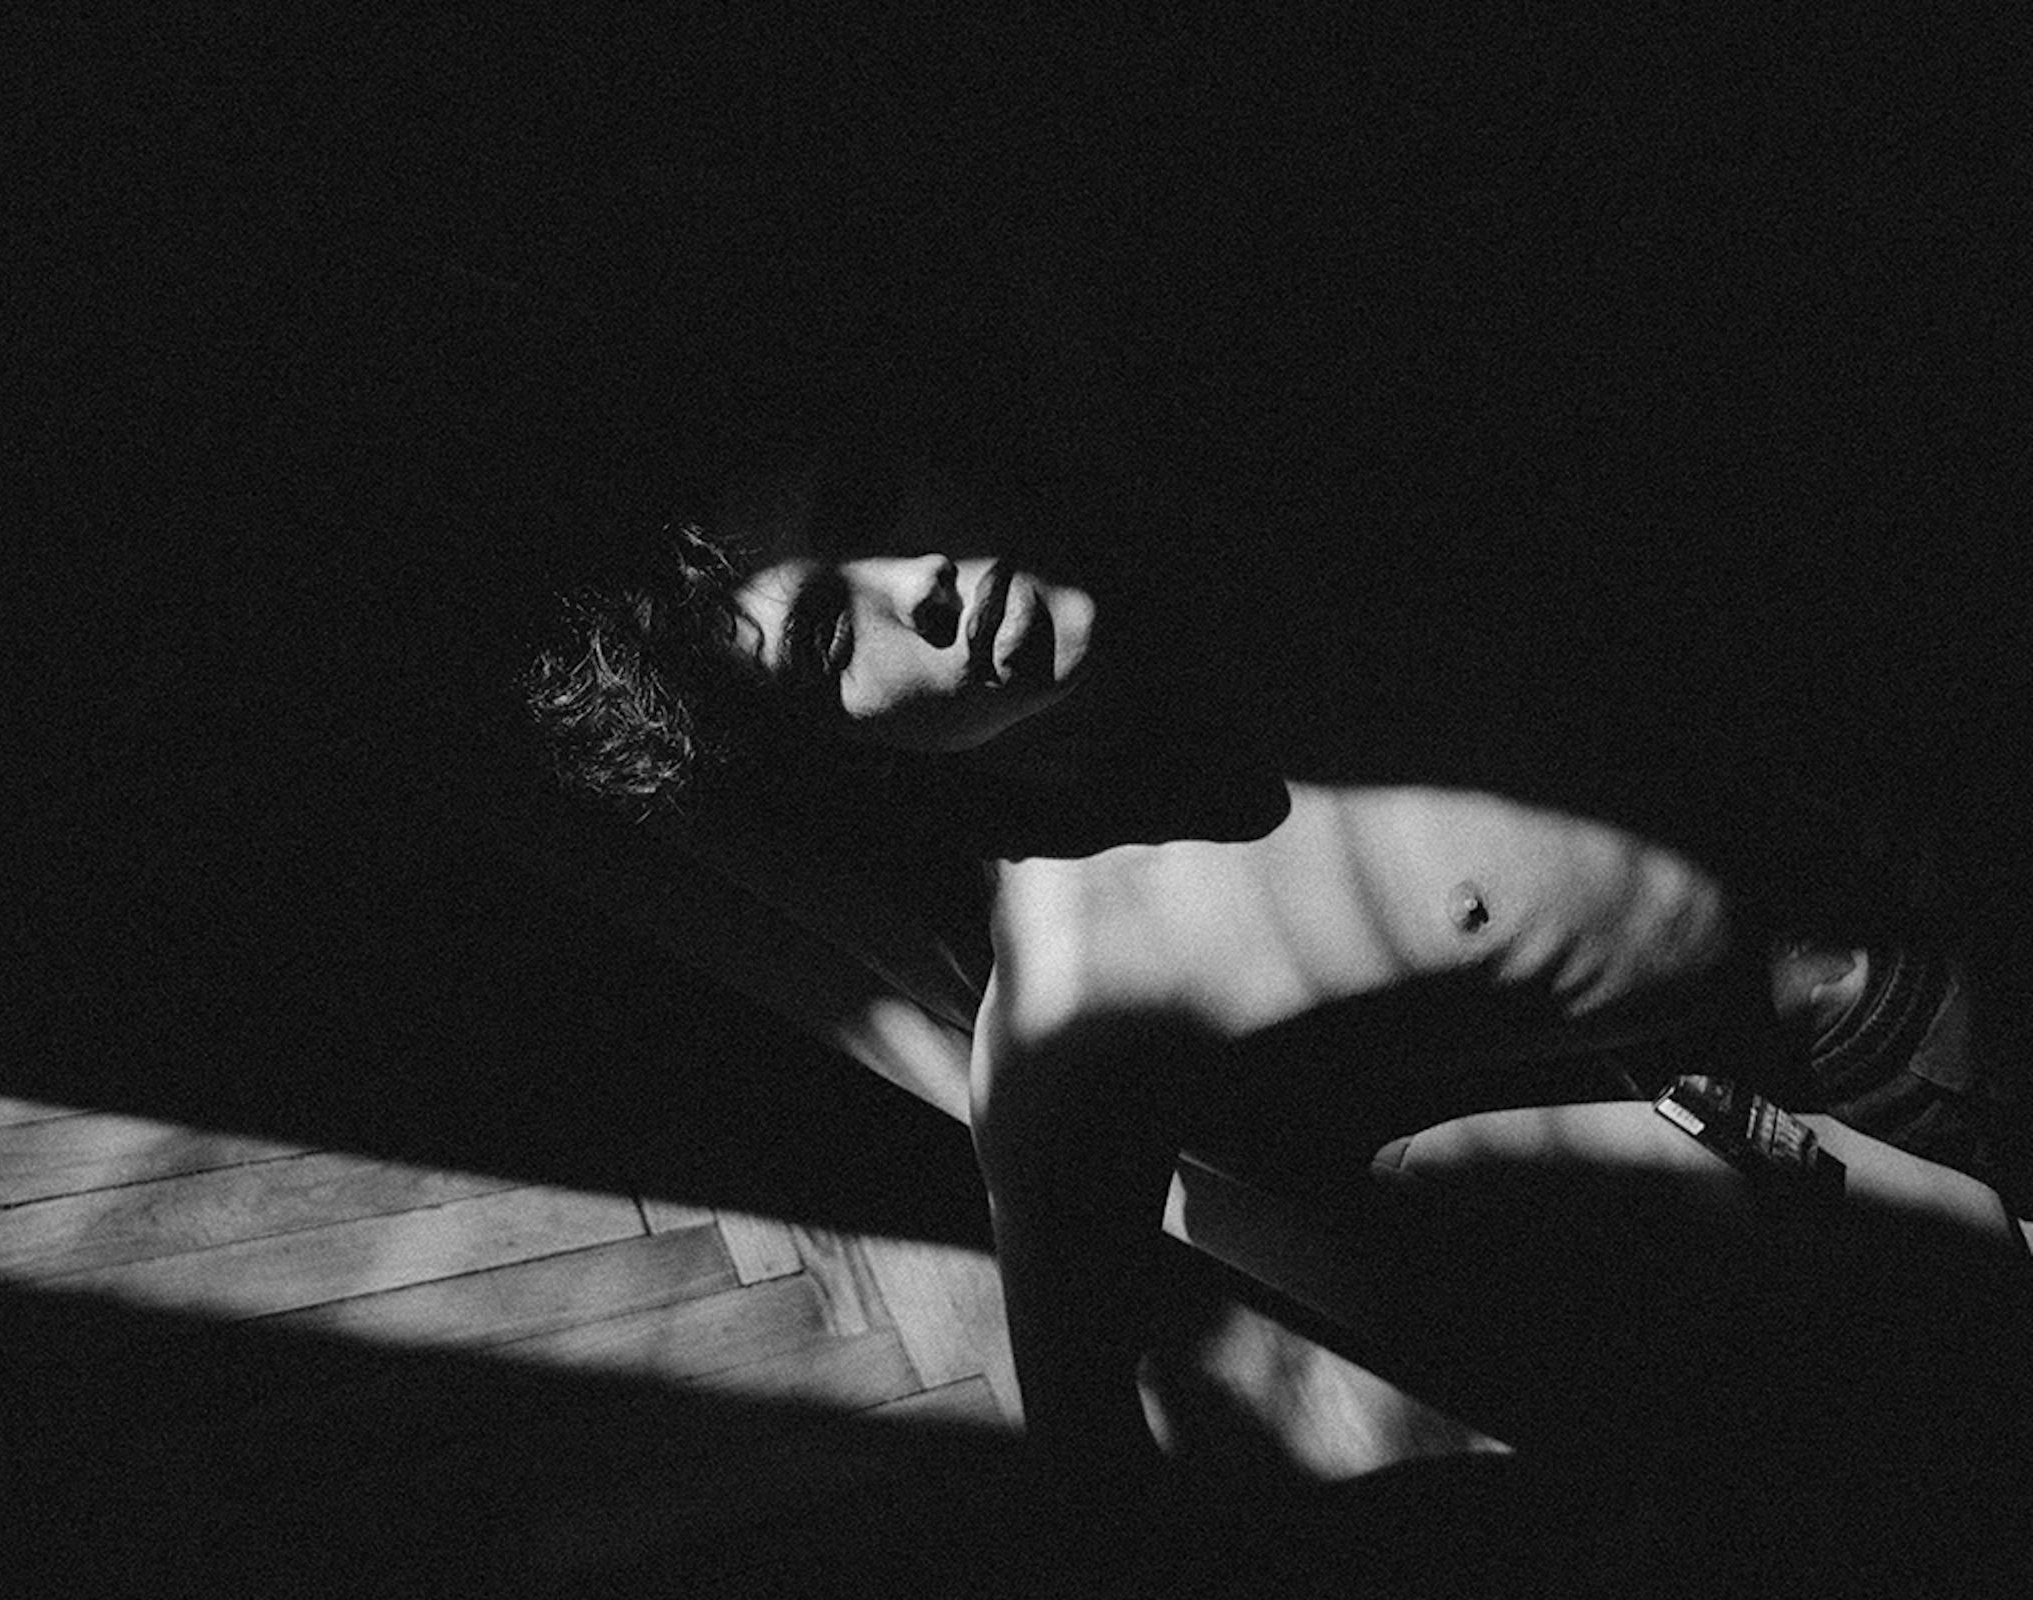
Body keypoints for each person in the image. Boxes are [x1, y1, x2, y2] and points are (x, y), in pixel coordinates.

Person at [519, 429, 2032, 1477]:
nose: (916, 581)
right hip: (1899, 1042)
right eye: (829, 639)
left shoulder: (1209, 517)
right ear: (836, 756)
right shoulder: (1084, 1003)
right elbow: (1086, 1438)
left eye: (866, 502)